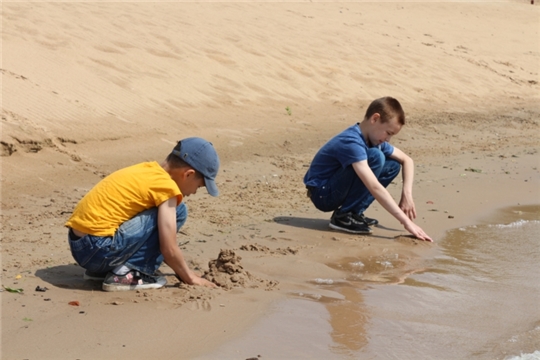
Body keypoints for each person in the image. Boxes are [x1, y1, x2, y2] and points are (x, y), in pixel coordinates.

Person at [65, 137, 220, 291]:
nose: (194, 192)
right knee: (179, 210)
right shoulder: (166, 187)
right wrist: (190, 278)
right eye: (199, 186)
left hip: (81, 247)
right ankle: (129, 273)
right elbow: (169, 249)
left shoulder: (147, 170)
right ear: (188, 174)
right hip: (99, 250)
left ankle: (107, 270)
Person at [303, 97, 433, 242]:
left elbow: (407, 160)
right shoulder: (352, 141)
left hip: (335, 188)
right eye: (388, 133)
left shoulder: (374, 139)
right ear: (375, 119)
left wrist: (407, 195)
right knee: (376, 157)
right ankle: (343, 217)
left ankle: (354, 213)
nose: (388, 139)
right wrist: (407, 223)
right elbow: (374, 187)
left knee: (393, 165)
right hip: (323, 194)